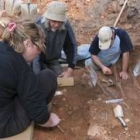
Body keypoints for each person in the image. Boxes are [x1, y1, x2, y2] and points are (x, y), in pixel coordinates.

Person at [0, 21, 60, 138]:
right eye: (38, 48)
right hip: (4, 124)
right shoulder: (20, 67)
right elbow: (33, 100)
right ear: (27, 43)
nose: (39, 53)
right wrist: (47, 120)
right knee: (47, 77)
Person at [33, 1, 77, 77]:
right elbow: (35, 55)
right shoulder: (39, 25)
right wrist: (37, 75)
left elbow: (71, 47)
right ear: (48, 18)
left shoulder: (65, 25)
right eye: (53, 21)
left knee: (59, 76)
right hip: (37, 58)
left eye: (59, 22)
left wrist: (71, 68)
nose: (56, 25)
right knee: (43, 77)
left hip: (53, 59)